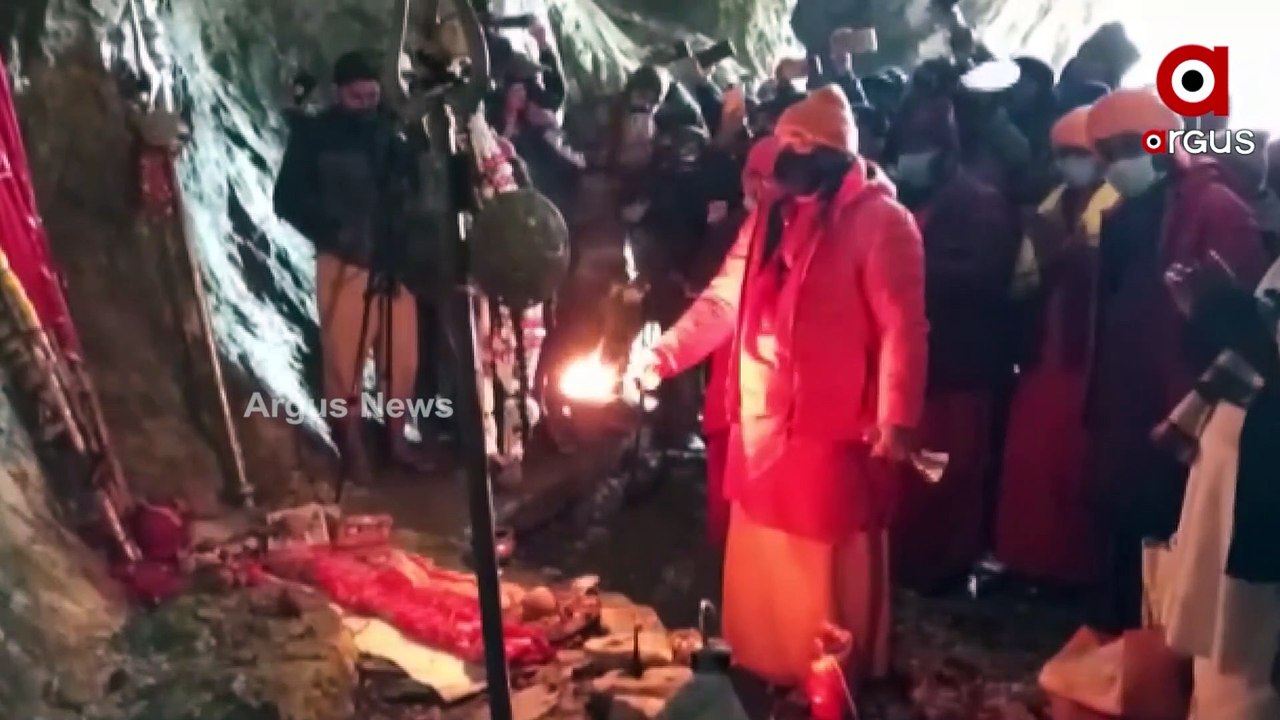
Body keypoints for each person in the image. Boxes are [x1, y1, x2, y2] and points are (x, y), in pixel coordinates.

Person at [644, 85, 928, 690]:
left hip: (830, 421)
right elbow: (722, 300)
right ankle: (762, 661)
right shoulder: (770, 216)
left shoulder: (882, 221)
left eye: (803, 143)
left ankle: (824, 675)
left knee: (820, 550)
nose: (789, 154)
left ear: (838, 153)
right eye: (784, 142)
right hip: (760, 412)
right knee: (763, 548)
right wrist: (663, 356)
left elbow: (903, 326)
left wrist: (896, 417)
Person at [1083, 88, 1268, 632]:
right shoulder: (1126, 210)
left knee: (1168, 540)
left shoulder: (1216, 207)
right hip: (1125, 395)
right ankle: (1120, 643)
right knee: (1124, 528)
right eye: (1105, 155)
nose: (1114, 166)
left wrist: (1194, 405)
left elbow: (1245, 329)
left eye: (1124, 150)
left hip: (1181, 399)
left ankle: (1155, 656)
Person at [273, 51, 434, 477]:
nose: (365, 103)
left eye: (371, 96)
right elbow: (286, 198)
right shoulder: (314, 135)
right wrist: (332, 231)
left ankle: (396, 440)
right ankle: (352, 446)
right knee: (344, 362)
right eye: (356, 96)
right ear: (338, 92)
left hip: (394, 259)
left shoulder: (392, 130)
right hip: (344, 260)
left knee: (401, 359)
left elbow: (415, 187)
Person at [887, 97, 1020, 592]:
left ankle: (944, 569)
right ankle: (909, 562)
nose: (908, 159)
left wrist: (909, 269)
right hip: (917, 364)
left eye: (918, 148)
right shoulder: (910, 198)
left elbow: (985, 276)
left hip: (959, 364)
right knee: (910, 474)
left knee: (949, 473)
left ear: (945, 152)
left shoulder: (980, 203)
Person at [996, 106, 1119, 587]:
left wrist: (1069, 256)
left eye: (1080, 153)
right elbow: (1023, 278)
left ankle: (1072, 568)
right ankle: (1028, 560)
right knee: (1030, 456)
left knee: (1074, 459)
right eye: (1064, 154)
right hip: (1043, 346)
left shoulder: (1118, 204)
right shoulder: (1051, 205)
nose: (1072, 163)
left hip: (1089, 350)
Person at [1154, 256, 1280, 719]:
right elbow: (1259, 345)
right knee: (1219, 646)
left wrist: (1221, 311)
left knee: (1248, 656)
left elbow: (1267, 350)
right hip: (1233, 471)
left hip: (1260, 488)